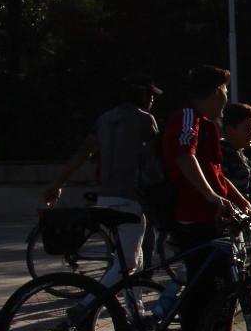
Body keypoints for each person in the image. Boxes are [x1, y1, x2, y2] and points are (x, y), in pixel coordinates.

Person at [163, 65, 251, 331]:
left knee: (222, 296)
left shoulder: (208, 124)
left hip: (213, 220)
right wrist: (211, 197)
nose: (226, 98)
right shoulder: (188, 117)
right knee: (204, 301)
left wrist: (244, 204)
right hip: (194, 219)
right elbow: (183, 157)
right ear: (212, 91)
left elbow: (217, 173)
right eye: (223, 91)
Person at [42, 75, 162, 276]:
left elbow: (84, 152)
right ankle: (88, 305)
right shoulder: (144, 119)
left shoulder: (104, 120)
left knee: (132, 259)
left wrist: (58, 183)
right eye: (151, 95)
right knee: (128, 264)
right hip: (129, 200)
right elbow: (157, 158)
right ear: (142, 95)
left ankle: (136, 307)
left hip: (105, 198)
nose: (152, 99)